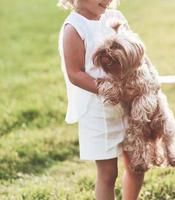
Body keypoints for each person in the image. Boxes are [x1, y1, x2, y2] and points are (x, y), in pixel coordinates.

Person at [57, 0, 145, 199]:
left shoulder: (116, 18)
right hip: (98, 112)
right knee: (108, 174)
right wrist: (113, 90)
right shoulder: (74, 28)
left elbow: (136, 53)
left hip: (129, 106)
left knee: (137, 164)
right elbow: (75, 73)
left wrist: (147, 78)